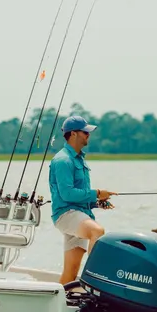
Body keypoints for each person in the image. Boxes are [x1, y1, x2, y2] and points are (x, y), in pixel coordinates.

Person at [48, 115, 116, 284]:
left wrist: (96, 202)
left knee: (70, 273)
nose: (88, 135)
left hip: (79, 214)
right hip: (66, 215)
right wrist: (97, 192)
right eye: (85, 132)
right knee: (97, 232)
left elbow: (78, 194)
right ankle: (94, 283)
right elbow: (67, 195)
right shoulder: (63, 160)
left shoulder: (78, 158)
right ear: (73, 134)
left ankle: (59, 302)